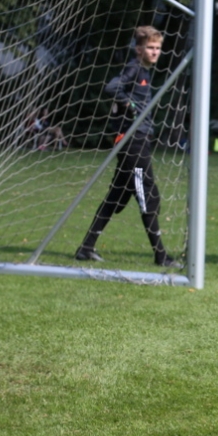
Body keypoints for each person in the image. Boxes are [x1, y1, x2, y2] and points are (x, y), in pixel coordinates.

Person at [75, 25, 179, 268]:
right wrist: (129, 105)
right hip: (133, 141)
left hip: (138, 139)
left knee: (116, 197)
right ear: (139, 49)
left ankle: (86, 248)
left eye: (158, 48)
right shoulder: (135, 68)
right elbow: (112, 87)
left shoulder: (145, 71)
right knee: (149, 196)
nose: (155, 52)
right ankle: (160, 255)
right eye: (150, 47)